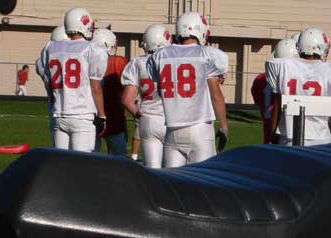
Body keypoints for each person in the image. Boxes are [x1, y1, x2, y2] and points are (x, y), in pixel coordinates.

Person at [147, 11, 229, 167]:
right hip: (200, 129)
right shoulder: (207, 54)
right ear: (200, 30)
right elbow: (216, 96)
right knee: (202, 184)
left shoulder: (160, 55)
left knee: (173, 186)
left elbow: (160, 89)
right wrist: (224, 125)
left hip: (172, 130)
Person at [266, 27, 331, 146]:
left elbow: (277, 107)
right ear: (321, 47)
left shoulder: (282, 66)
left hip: (289, 137)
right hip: (320, 138)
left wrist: (272, 135)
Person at [39, 7, 108, 152]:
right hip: (82, 115)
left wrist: (54, 105)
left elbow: (49, 84)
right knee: (81, 165)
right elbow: (96, 88)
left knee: (61, 164)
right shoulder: (92, 49)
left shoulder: (50, 47)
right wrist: (102, 115)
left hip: (59, 114)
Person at [121, 24, 172, 168]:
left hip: (148, 120)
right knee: (174, 171)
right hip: (172, 120)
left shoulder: (137, 63)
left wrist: (140, 115)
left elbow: (126, 100)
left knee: (152, 171)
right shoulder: (175, 61)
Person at [251, 38, 298, 143]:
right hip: (288, 132)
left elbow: (259, 102)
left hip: (269, 131)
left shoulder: (260, 79)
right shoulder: (298, 78)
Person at [92, 28, 129, 156]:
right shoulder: (120, 62)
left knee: (87, 160)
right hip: (114, 119)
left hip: (92, 117)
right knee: (120, 162)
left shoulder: (85, 59)